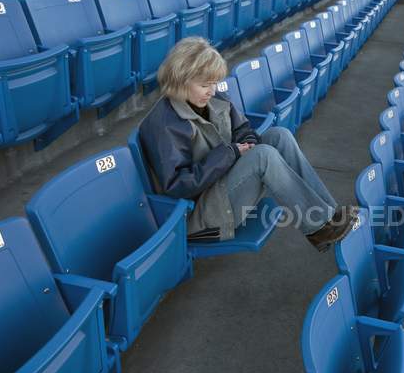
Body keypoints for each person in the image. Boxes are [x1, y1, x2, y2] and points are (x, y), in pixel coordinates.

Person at [139, 37, 357, 252]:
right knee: (263, 156)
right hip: (203, 213)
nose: (212, 91)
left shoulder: (213, 99)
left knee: (279, 135)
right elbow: (178, 186)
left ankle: (329, 214)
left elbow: (242, 129)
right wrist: (231, 153)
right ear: (180, 80)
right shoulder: (163, 124)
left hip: (224, 184)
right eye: (205, 85)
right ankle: (317, 229)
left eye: (214, 83)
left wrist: (248, 143)